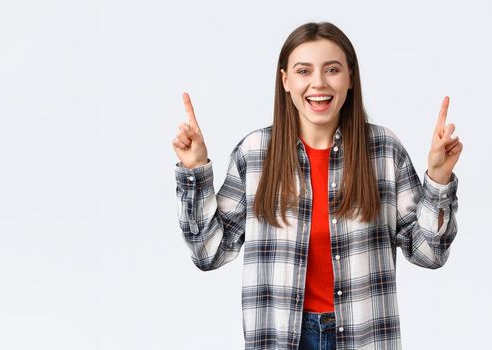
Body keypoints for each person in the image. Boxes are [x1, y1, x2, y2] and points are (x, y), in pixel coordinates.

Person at [172, 21, 462, 350]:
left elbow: (430, 254)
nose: (318, 83)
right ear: (285, 80)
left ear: (350, 78)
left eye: (332, 69)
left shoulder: (383, 151)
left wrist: (438, 179)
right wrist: (195, 170)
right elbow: (209, 252)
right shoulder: (255, 154)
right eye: (304, 71)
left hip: (363, 337)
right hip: (282, 338)